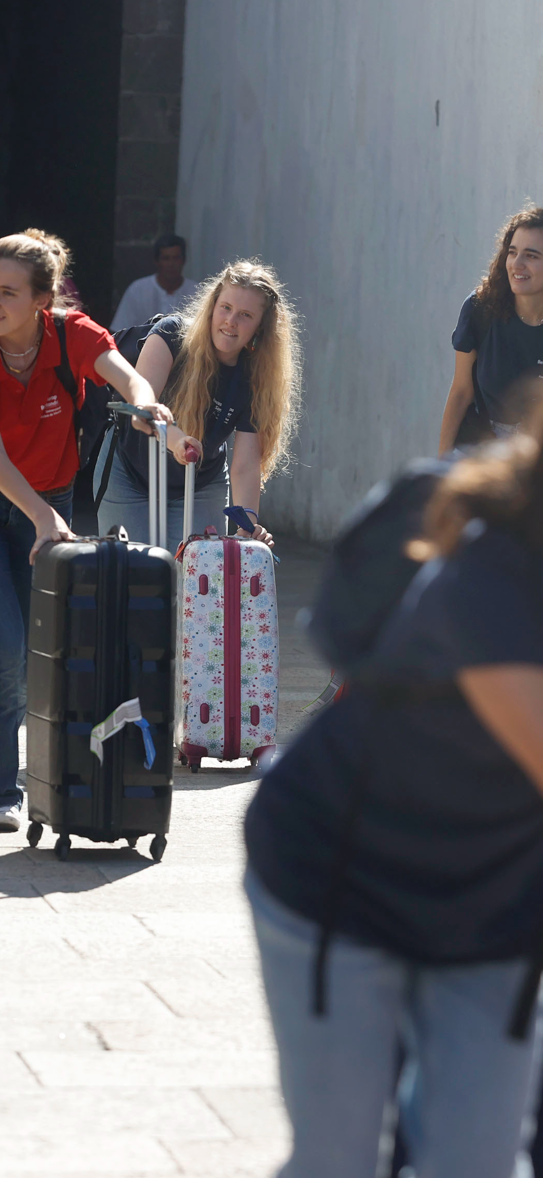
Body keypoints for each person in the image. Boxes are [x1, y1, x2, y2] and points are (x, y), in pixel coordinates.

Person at [244, 409, 543, 1177]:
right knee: (339, 1160)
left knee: (474, 1162)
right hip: (338, 881)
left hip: (493, 904)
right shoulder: (491, 571)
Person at [0, 229, 197, 833]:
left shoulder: (70, 335)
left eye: (7, 293)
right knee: (4, 644)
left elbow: (126, 377)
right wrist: (44, 517)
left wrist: (149, 408)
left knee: (25, 651)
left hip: (45, 495)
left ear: (42, 299)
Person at [94, 259, 302, 549]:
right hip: (130, 471)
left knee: (198, 582)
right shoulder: (170, 335)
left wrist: (248, 525)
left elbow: (245, 464)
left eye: (245, 315)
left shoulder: (257, 377)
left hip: (201, 481)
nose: (231, 321)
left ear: (260, 327)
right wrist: (176, 439)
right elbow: (142, 408)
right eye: (226, 308)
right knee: (134, 578)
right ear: (212, 306)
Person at [440, 206, 543, 453]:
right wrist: (440, 468)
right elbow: (461, 392)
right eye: (512, 252)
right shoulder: (480, 309)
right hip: (481, 450)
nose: (517, 264)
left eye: (531, 255)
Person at [110, 234, 198, 333]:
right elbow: (119, 332)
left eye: (176, 258)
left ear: (184, 260)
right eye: (166, 258)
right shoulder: (137, 290)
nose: (171, 264)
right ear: (156, 261)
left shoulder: (196, 292)